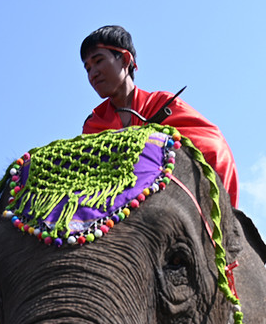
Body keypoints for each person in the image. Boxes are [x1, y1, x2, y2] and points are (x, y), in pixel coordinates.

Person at [80, 25, 239, 207]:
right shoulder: (94, 124)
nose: (93, 74)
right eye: (88, 68)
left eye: (98, 61)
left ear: (125, 59)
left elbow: (213, 147)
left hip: (169, 201)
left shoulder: (162, 103)